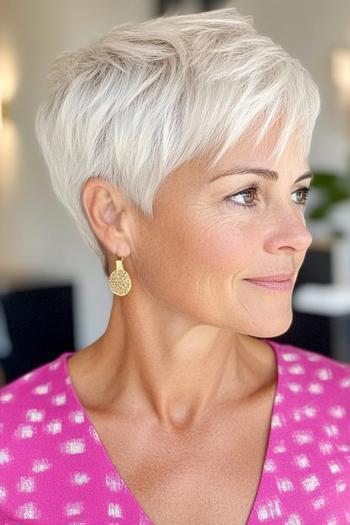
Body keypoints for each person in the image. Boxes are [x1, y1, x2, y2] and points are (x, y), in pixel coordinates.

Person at [0, 6, 349, 525]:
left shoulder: (340, 415)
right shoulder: (11, 450)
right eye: (245, 194)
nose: (298, 235)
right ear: (114, 216)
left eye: (297, 192)